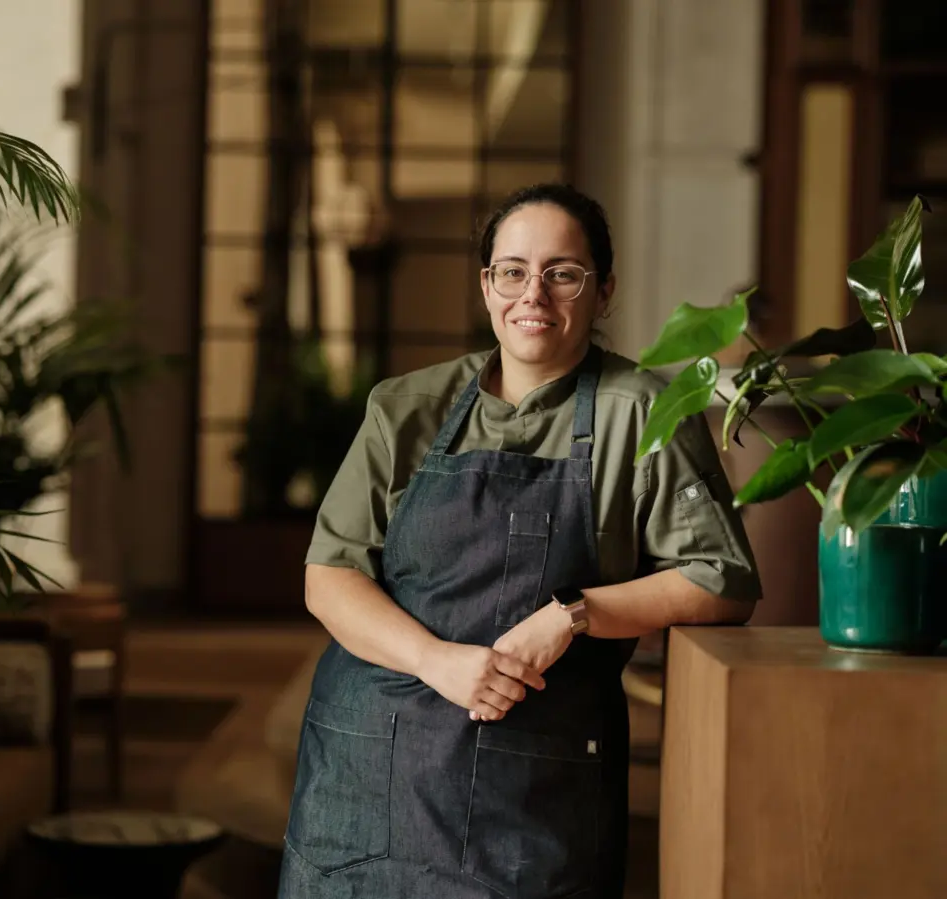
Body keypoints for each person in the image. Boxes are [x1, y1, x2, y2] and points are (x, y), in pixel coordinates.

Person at [277, 183, 761, 899]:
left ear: (603, 292)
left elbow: (722, 581)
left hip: (532, 788)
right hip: (367, 767)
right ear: (487, 284)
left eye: (563, 272)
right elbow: (330, 575)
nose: (533, 293)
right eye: (512, 270)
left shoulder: (644, 412)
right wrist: (437, 661)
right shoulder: (405, 406)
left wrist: (572, 613)